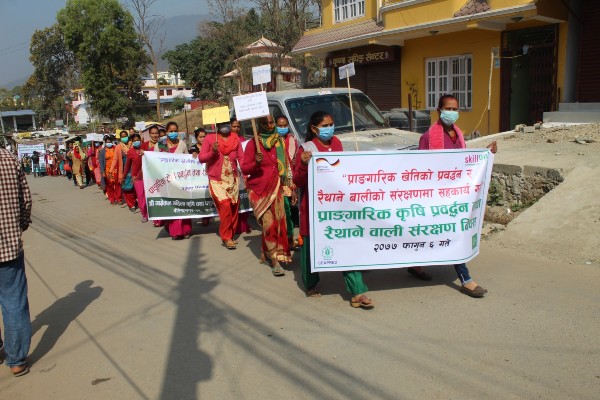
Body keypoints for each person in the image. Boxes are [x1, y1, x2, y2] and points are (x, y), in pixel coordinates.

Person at [411, 94, 497, 298]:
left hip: (455, 195)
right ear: (439, 110)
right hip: (436, 195)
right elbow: (419, 168)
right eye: (448, 108)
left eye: (455, 109)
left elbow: (464, 162)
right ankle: (465, 279)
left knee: (451, 231)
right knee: (444, 232)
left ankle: (416, 265)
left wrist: (485, 155)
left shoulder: (458, 135)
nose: (452, 113)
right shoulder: (428, 137)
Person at [293, 111, 374, 308]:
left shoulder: (336, 143)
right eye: (326, 125)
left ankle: (357, 292)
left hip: (338, 208)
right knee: (311, 250)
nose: (330, 128)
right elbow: (297, 180)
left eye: (332, 124)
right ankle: (311, 284)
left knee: (347, 245)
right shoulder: (305, 148)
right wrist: (303, 164)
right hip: (314, 208)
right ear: (314, 128)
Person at [242, 115, 292, 276]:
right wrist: (256, 163)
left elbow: (287, 166)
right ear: (259, 125)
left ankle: (268, 252)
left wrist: (290, 186)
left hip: (277, 187)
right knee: (269, 223)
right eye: (265, 123)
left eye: (271, 122)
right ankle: (275, 260)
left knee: (278, 224)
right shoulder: (252, 144)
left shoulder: (280, 142)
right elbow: (245, 169)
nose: (269, 125)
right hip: (258, 189)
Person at [0, 146, 32, 376]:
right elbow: (26, 200)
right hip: (9, 247)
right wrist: (19, 225)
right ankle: (17, 360)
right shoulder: (9, 158)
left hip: (9, 244)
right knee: (14, 302)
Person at [200, 123, 243, 249]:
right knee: (225, 205)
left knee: (234, 206)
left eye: (227, 123)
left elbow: (241, 157)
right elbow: (202, 158)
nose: (225, 126)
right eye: (222, 124)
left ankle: (231, 234)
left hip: (232, 178)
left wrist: (248, 172)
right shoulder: (210, 138)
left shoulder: (235, 137)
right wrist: (212, 151)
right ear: (217, 126)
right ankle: (226, 237)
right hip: (216, 180)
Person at [162, 122, 192, 240]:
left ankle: (186, 229)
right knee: (173, 205)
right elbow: (153, 159)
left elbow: (188, 160)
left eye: (175, 131)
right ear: (166, 132)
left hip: (181, 180)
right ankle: (175, 231)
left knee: (183, 204)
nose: (173, 133)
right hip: (167, 180)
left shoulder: (182, 144)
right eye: (171, 131)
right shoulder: (160, 145)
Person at [276, 115, 299, 248]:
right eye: (280, 125)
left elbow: (294, 159)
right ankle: (281, 239)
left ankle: (289, 237)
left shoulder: (291, 140)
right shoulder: (272, 141)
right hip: (275, 180)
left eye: (285, 125)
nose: (283, 128)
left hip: (288, 180)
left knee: (288, 210)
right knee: (280, 210)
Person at [138, 125, 165, 225]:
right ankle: (149, 215)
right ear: (149, 134)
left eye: (156, 133)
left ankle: (159, 219)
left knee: (160, 196)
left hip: (160, 174)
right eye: (152, 133)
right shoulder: (144, 145)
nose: (154, 135)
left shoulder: (163, 145)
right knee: (150, 196)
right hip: (148, 175)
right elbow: (139, 160)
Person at [230, 119, 252, 235]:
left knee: (244, 199)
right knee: (234, 201)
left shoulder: (244, 140)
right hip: (231, 174)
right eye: (234, 126)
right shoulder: (227, 140)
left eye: (238, 126)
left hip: (243, 173)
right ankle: (235, 226)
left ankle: (244, 224)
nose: (236, 129)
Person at [190, 127, 211, 227]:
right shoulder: (193, 148)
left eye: (204, 136)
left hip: (208, 174)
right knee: (201, 195)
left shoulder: (210, 147)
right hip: (198, 177)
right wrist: (193, 154)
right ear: (196, 138)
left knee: (208, 195)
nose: (203, 139)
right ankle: (202, 215)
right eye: (200, 137)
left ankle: (206, 217)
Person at [122, 133, 142, 212]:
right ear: (131, 142)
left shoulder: (144, 149)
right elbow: (127, 165)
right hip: (135, 176)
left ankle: (142, 206)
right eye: (134, 141)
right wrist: (124, 176)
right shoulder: (130, 152)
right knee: (135, 192)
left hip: (145, 174)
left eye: (138, 140)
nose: (136, 142)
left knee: (142, 193)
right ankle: (134, 204)